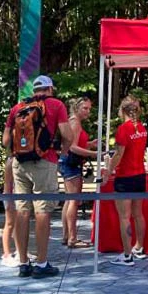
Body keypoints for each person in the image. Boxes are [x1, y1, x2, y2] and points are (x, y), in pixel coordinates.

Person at [2, 75, 72, 279]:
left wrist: (17, 152)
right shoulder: (56, 105)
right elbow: (67, 135)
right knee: (42, 211)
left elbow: (6, 140)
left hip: (19, 163)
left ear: (34, 90)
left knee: (22, 211)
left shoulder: (18, 108)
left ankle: (23, 263)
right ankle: (41, 263)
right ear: (50, 89)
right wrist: (62, 153)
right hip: (45, 161)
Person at [102, 96, 148, 266]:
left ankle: (127, 255)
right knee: (138, 214)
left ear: (122, 111)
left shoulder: (123, 129)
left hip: (125, 177)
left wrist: (108, 170)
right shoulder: (142, 128)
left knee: (124, 217)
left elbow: (119, 154)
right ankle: (139, 247)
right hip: (140, 175)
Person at [59, 96, 98, 249]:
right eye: (85, 108)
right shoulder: (75, 122)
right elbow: (73, 147)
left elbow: (74, 143)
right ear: (77, 108)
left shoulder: (73, 121)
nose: (88, 111)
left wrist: (89, 144)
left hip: (67, 162)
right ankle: (73, 238)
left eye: (89, 108)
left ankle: (66, 236)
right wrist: (94, 154)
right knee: (73, 201)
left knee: (69, 200)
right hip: (71, 163)